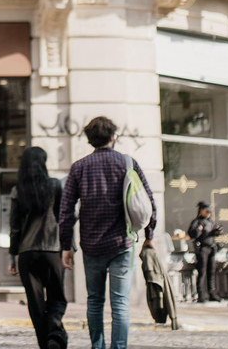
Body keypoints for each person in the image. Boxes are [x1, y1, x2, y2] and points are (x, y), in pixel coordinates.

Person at [59, 116, 156, 349]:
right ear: (113, 137)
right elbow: (148, 201)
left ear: (90, 140)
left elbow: (66, 210)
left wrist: (66, 246)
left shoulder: (79, 167)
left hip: (91, 245)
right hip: (122, 243)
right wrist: (149, 236)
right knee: (120, 302)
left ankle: (97, 346)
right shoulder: (127, 163)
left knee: (94, 301)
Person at [9, 147, 67, 349]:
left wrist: (12, 256)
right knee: (57, 297)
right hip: (52, 250)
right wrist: (68, 247)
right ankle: (55, 334)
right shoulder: (55, 186)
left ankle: (46, 344)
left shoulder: (18, 190)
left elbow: (15, 227)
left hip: (27, 252)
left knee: (35, 305)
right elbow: (63, 218)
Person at [187, 201, 223, 303]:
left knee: (211, 271)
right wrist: (199, 230)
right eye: (207, 211)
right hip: (202, 249)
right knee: (202, 271)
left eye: (209, 212)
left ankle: (212, 293)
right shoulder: (197, 222)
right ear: (201, 210)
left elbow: (214, 233)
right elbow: (191, 234)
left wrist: (218, 231)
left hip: (211, 248)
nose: (208, 214)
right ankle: (201, 294)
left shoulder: (210, 221)